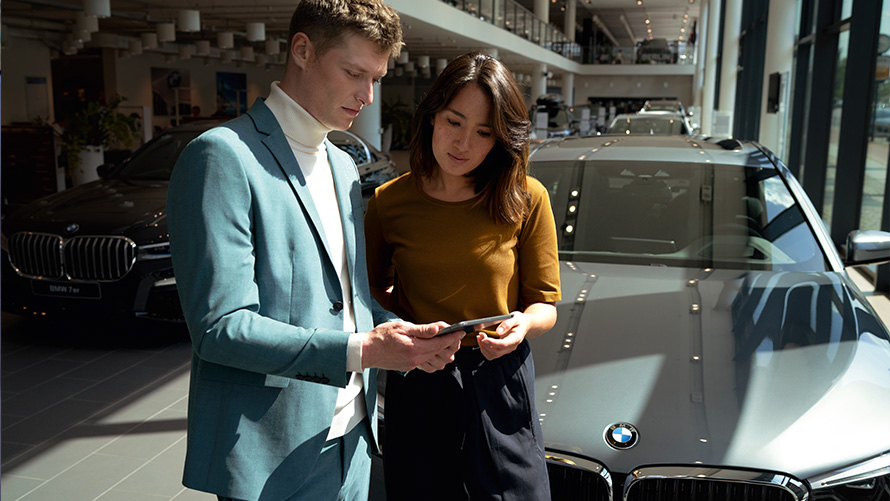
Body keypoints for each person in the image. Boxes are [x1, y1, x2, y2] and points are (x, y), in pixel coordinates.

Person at [166, 1, 464, 500]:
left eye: (376, 78)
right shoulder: (223, 156)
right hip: (270, 453)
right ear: (302, 50)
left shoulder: (344, 166)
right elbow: (221, 328)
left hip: (355, 440)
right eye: (354, 73)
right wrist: (363, 351)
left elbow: (342, 300)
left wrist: (389, 331)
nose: (367, 96)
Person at [364, 52, 562, 500]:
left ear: (500, 139)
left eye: (484, 132)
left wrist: (524, 325)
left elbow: (545, 306)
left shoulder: (526, 197)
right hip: (419, 374)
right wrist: (403, 332)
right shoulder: (389, 202)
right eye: (454, 121)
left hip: (500, 373)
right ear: (432, 116)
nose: (463, 143)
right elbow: (371, 293)